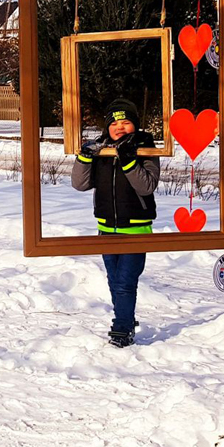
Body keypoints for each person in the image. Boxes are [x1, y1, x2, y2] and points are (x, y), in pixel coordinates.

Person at [71, 97, 161, 348]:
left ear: (136, 125)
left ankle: (122, 327)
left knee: (125, 281)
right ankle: (126, 318)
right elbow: (80, 184)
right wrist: (86, 157)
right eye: (114, 122)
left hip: (136, 228)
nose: (119, 126)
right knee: (114, 280)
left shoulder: (146, 149)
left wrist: (129, 160)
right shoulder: (103, 150)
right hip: (106, 227)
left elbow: (146, 186)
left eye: (126, 121)